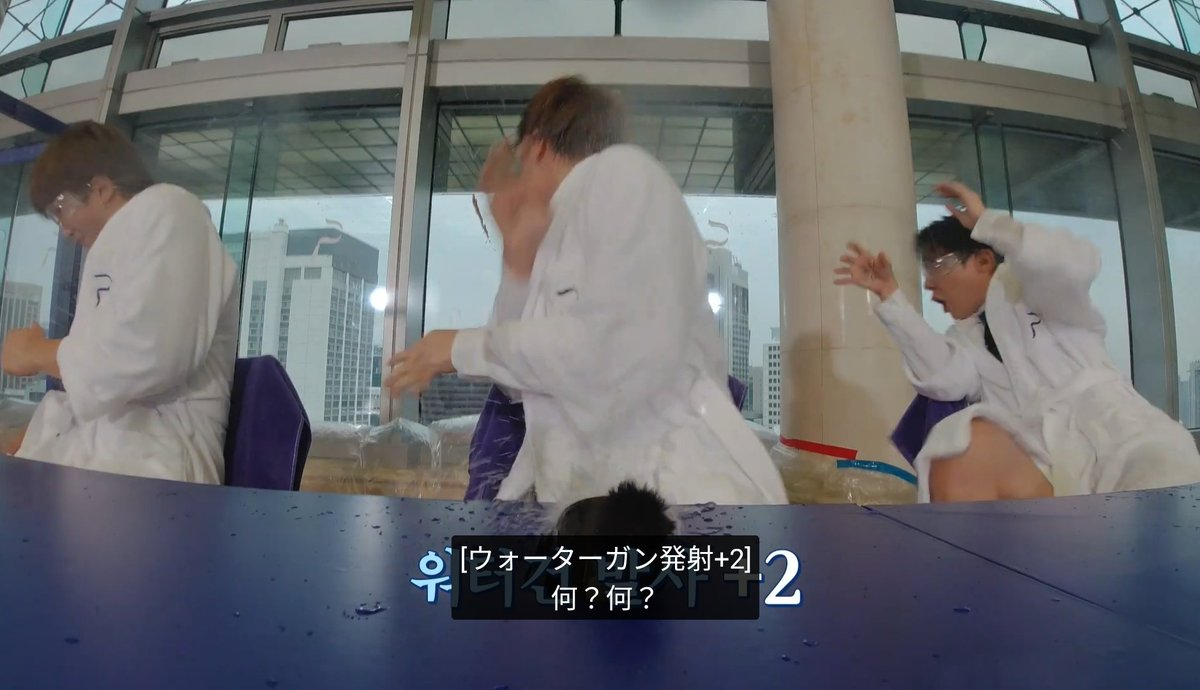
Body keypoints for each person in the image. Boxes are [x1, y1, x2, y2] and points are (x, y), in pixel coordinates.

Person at [385, 76, 786, 507]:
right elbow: (520, 384)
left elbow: (614, 347)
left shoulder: (622, 173)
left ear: (535, 149)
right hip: (595, 507)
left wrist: (458, 347)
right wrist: (518, 259)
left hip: (685, 501)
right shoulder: (557, 234)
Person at [835, 181, 1200, 503]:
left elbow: (1076, 263)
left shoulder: (1035, 290)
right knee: (955, 441)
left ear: (983, 261)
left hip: (1116, 437)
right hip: (1044, 463)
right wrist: (890, 296)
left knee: (1160, 482)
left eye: (937, 265)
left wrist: (994, 226)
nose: (929, 283)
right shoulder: (965, 338)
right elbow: (945, 379)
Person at [0, 121, 240, 484]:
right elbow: (100, 379)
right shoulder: (120, 244)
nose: (63, 228)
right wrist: (41, 438)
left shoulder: (170, 210)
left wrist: (35, 351)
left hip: (160, 460)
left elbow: (147, 352)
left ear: (100, 189)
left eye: (60, 208)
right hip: (121, 451)